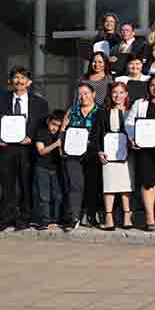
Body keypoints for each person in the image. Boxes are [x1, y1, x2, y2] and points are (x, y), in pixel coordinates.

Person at [0, 66, 51, 235]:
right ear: (10, 81)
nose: (19, 81)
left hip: (28, 149)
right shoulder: (1, 99)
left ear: (29, 82)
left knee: (25, 184)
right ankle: (5, 218)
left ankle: (24, 218)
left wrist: (33, 138)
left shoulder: (40, 103)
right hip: (6, 149)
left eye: (23, 78)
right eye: (16, 77)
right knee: (7, 185)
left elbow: (44, 127)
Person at [127, 75, 155, 231]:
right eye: (152, 85)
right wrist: (133, 138)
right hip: (145, 150)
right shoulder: (140, 104)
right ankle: (150, 217)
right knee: (148, 183)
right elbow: (129, 122)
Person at [60, 83, 101, 231]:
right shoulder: (72, 111)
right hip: (72, 153)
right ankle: (74, 217)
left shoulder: (100, 111)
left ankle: (90, 216)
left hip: (92, 154)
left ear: (93, 94)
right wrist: (61, 145)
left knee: (92, 186)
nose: (83, 97)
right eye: (80, 94)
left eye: (86, 93)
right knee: (75, 185)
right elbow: (63, 129)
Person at [97, 82, 135, 230]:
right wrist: (99, 151)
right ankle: (109, 217)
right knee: (109, 185)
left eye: (121, 92)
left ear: (126, 94)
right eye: (114, 92)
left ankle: (127, 216)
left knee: (126, 185)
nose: (117, 96)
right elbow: (96, 134)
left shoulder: (131, 111)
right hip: (108, 154)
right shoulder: (103, 111)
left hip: (127, 154)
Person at [32, 110, 65, 231]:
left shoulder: (61, 134)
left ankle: (56, 220)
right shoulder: (41, 132)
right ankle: (45, 221)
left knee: (58, 195)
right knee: (44, 196)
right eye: (53, 124)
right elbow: (41, 151)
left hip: (56, 168)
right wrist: (56, 145)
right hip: (42, 168)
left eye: (58, 125)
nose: (55, 128)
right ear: (48, 122)